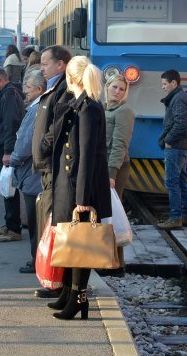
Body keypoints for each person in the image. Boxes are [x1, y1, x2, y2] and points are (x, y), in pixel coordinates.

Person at [41, 55, 111, 320]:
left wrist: (83, 197)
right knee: (71, 241)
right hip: (69, 185)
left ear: (70, 77)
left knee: (82, 245)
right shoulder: (79, 105)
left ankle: (79, 298)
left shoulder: (89, 109)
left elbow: (86, 155)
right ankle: (69, 294)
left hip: (81, 188)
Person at [31, 45, 72, 299]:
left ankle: (57, 283)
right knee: (48, 223)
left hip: (54, 169)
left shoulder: (63, 90)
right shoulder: (54, 88)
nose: (41, 67)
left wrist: (44, 149)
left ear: (61, 64)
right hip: (48, 168)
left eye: (45, 63)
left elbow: (57, 126)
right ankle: (53, 280)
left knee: (54, 224)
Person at [9, 69, 47, 273]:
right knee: (36, 222)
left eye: (28, 87)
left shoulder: (35, 110)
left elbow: (25, 143)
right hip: (33, 174)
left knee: (35, 222)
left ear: (39, 89)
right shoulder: (38, 107)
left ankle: (37, 261)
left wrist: (13, 160)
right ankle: (37, 260)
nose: (24, 91)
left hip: (32, 174)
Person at [0, 67, 25, 242]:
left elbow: (10, 124)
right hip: (3, 147)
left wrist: (7, 152)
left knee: (8, 188)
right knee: (6, 187)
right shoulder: (6, 94)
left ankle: (13, 228)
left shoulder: (9, 96)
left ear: (1, 80)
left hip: (5, 148)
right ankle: (10, 224)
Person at [104, 73, 135, 276]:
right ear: (107, 87)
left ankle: (117, 264)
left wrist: (111, 173)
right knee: (105, 215)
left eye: (121, 89)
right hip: (102, 166)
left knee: (113, 214)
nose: (117, 91)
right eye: (114, 87)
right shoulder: (103, 109)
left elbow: (119, 145)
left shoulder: (124, 111)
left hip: (114, 168)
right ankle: (107, 260)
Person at [157, 70, 187, 230]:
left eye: (165, 84)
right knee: (181, 181)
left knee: (171, 182)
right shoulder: (179, 97)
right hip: (182, 146)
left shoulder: (178, 99)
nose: (163, 87)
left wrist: (168, 141)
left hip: (176, 147)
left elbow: (181, 124)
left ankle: (175, 217)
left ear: (174, 83)